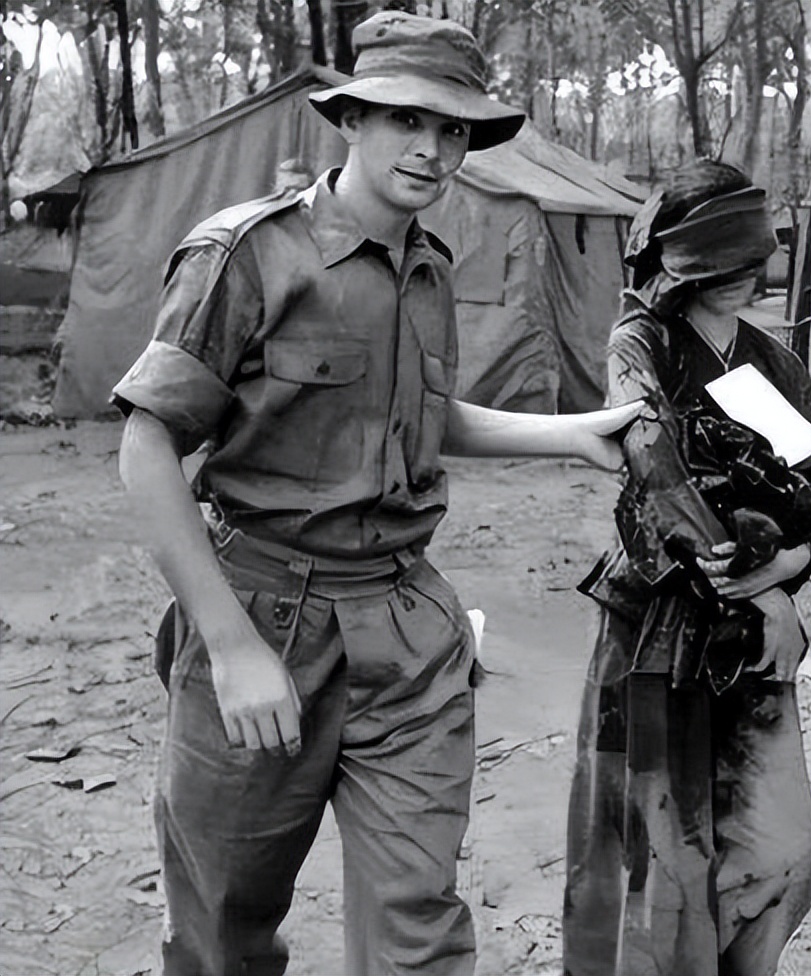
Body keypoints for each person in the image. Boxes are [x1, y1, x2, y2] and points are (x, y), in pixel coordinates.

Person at [111, 13, 642, 976]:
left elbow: (426, 418)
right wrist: (231, 649)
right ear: (351, 118)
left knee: (417, 923)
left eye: (453, 132)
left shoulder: (429, 267)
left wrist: (572, 436)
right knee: (222, 924)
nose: (434, 150)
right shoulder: (247, 255)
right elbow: (149, 447)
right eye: (409, 121)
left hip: (406, 629)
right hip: (265, 613)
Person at [563, 160, 811, 976]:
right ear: (675, 266)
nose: (739, 282)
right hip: (655, 624)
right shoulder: (643, 342)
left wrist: (788, 567)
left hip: (753, 638)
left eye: (748, 264)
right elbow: (653, 460)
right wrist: (744, 583)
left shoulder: (769, 359)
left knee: (783, 849)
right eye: (717, 268)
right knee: (659, 857)